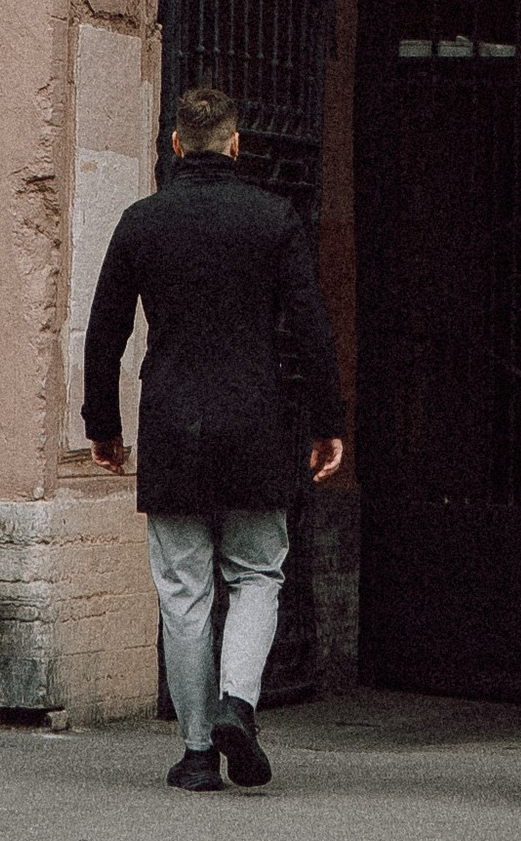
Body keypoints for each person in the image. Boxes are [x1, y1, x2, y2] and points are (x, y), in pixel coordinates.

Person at [82, 82, 347, 792]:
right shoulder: (272, 218)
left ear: (176, 145)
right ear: (236, 144)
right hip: (256, 420)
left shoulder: (142, 222)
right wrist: (328, 423)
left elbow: (105, 332)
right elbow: (311, 326)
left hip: (171, 421)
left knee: (183, 588)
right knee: (258, 572)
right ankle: (239, 700)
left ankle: (199, 751)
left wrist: (101, 427)